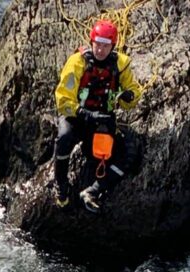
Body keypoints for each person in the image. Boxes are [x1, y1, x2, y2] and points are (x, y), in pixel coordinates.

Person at [54, 19, 142, 213]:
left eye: (105, 46)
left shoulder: (120, 65)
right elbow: (62, 99)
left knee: (128, 153)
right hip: (76, 117)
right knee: (64, 139)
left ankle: (93, 191)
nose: (100, 50)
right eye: (97, 45)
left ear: (112, 46)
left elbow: (133, 91)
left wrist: (130, 96)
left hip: (102, 120)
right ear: (91, 42)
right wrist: (83, 112)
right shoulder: (77, 63)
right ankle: (61, 184)